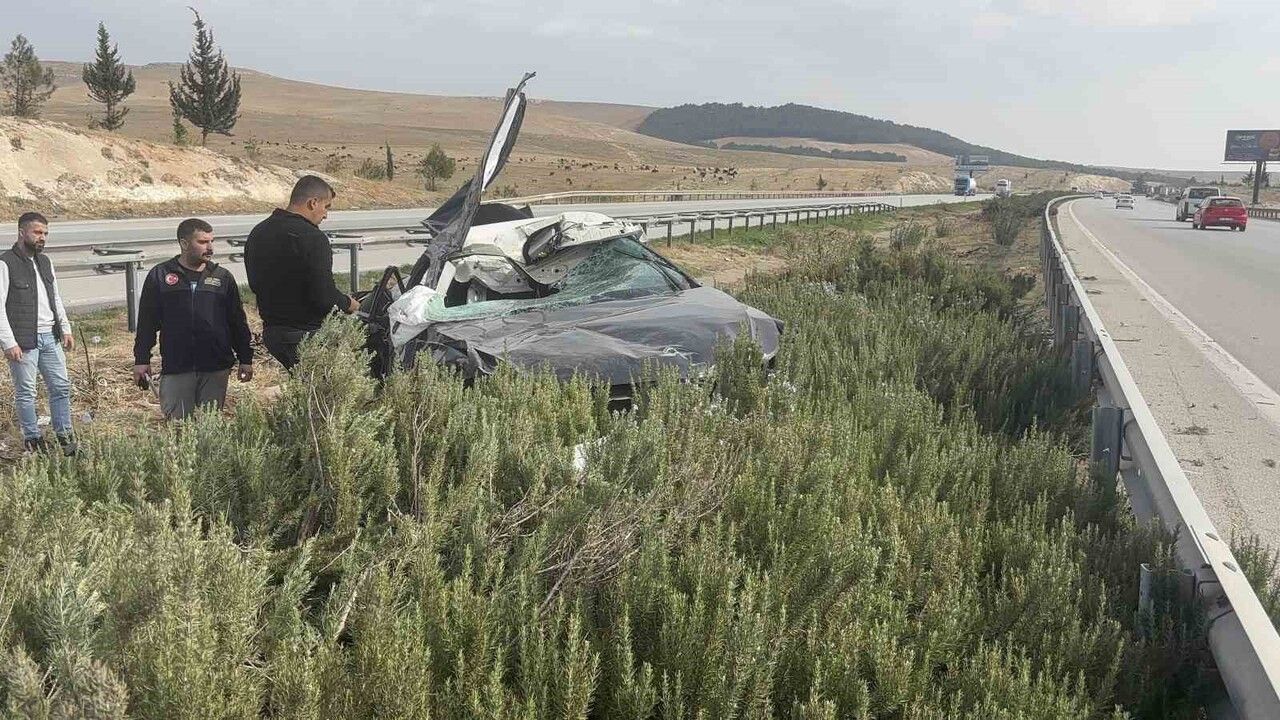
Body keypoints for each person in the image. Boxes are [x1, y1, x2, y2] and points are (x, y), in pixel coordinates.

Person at [133, 218, 254, 420]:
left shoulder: (222, 277)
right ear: (184, 243)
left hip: (215, 367)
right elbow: (147, 321)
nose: (210, 248)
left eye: (211, 241)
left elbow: (237, 322)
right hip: (177, 367)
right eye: (203, 242)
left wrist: (246, 359)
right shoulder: (161, 275)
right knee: (178, 431)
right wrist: (141, 359)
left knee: (210, 429)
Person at [244, 175, 358, 369]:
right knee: (326, 394)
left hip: (274, 333)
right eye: (327, 207)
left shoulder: (259, 231)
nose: (326, 215)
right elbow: (324, 296)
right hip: (306, 335)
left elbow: (254, 284)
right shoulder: (312, 238)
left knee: (303, 389)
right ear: (313, 203)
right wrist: (348, 304)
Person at [0, 212, 76, 455]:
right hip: (24, 342)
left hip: (50, 337)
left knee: (61, 387)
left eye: (45, 233)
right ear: (22, 232)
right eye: (37, 232)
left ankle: (65, 435)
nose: (42, 238)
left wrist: (64, 328)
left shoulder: (45, 262)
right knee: (26, 393)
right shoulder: (5, 263)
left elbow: (55, 297)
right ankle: (32, 439)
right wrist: (8, 342)